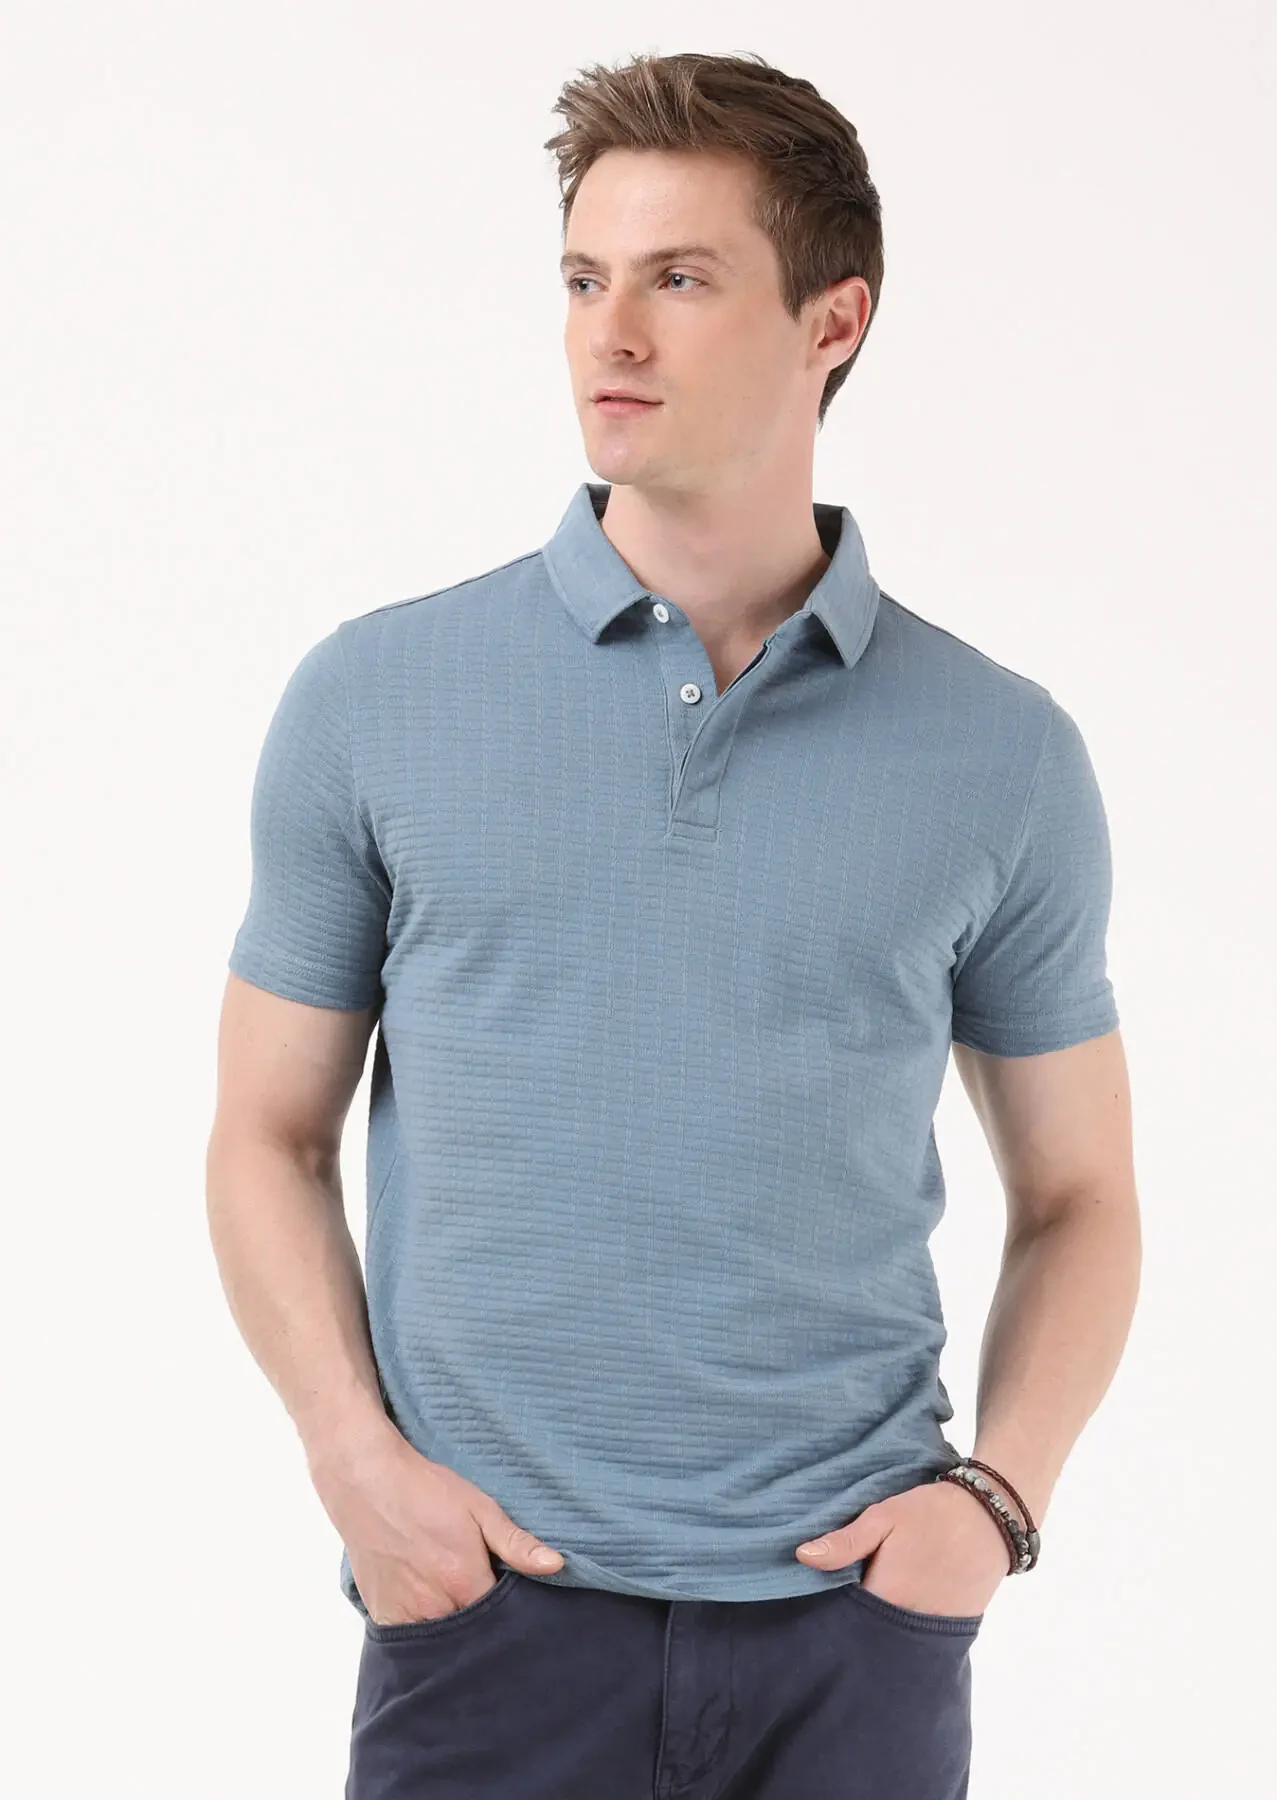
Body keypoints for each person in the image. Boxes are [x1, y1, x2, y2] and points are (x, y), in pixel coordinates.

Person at [206, 49, 1140, 1800]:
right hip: (483, 1614)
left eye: (680, 279)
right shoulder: (375, 700)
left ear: (833, 321)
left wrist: (995, 1506)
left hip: (852, 1637)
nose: (609, 334)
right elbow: (267, 1132)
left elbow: (1083, 1194)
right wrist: (352, 1461)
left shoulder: (1003, 756)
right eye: (584, 279)